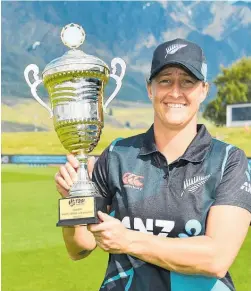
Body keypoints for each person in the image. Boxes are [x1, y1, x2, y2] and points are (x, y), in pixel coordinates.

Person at [55, 38, 251, 291]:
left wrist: (128, 240)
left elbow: (216, 258)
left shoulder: (228, 160)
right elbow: (79, 248)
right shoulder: (117, 154)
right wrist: (74, 200)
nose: (175, 92)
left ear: (203, 90)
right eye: (165, 80)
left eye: (188, 82)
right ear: (150, 89)